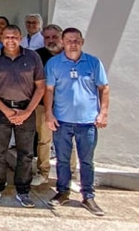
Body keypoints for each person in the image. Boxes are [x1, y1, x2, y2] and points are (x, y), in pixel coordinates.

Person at [45, 28, 110, 217]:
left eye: (76, 40)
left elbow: (104, 88)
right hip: (62, 120)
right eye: (69, 40)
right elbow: (49, 90)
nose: (73, 43)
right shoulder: (54, 63)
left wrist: (103, 113)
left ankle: (88, 196)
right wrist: (49, 113)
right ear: (62, 42)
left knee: (86, 161)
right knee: (62, 159)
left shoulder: (93, 62)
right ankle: (62, 191)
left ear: (82, 41)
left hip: (87, 121)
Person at [0, 25, 45, 207]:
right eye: (7, 37)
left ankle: (23, 190)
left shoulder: (33, 57)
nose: (10, 40)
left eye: (14, 37)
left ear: (20, 38)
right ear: (1, 38)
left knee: (26, 153)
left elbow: (40, 87)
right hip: (1, 110)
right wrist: (5, 110)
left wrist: (26, 112)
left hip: (26, 109)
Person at [33, 23, 77, 188]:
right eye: (47, 37)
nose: (51, 40)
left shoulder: (71, 55)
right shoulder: (36, 56)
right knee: (44, 140)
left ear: (61, 38)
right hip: (43, 105)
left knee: (67, 141)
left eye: (54, 37)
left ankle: (70, 176)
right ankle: (43, 173)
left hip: (66, 106)